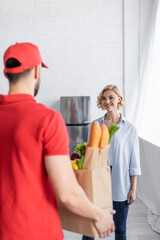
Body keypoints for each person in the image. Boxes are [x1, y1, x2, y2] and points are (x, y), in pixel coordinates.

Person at [0, 43, 115, 240]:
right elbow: (67, 193)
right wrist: (100, 215)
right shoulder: (47, 120)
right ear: (37, 71)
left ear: (6, 73)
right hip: (38, 232)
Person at [82, 85, 141, 240]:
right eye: (103, 98)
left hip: (120, 183)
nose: (107, 101)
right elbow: (90, 155)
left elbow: (134, 162)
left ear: (119, 99)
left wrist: (133, 189)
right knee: (90, 228)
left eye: (111, 97)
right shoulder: (95, 125)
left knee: (120, 229)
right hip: (97, 182)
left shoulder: (130, 129)